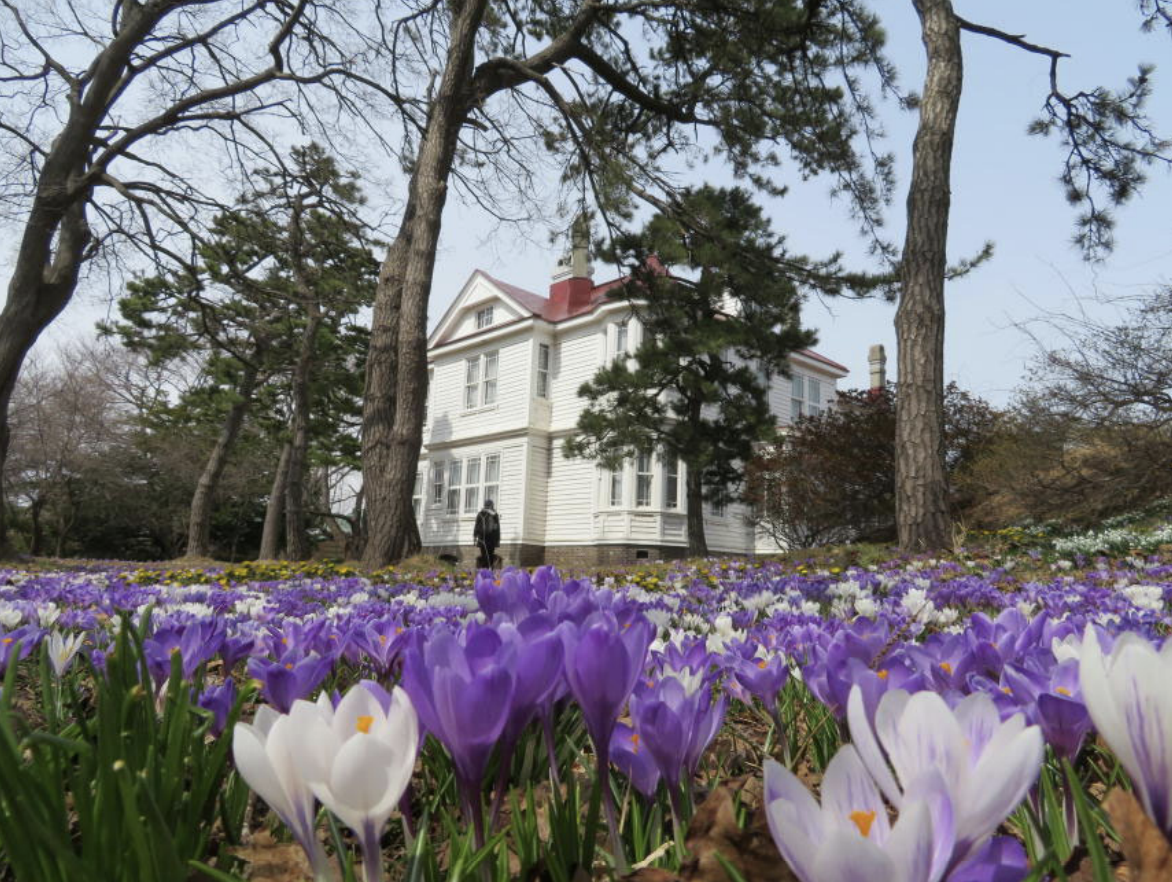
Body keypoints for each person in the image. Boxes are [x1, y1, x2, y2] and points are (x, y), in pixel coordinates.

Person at [473, 499, 501, 569]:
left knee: (484, 555)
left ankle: (485, 570)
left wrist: (474, 536)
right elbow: (497, 528)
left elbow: (476, 525)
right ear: (492, 505)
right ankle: (488, 570)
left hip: (483, 538)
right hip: (491, 539)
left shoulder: (480, 513)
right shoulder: (494, 514)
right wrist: (498, 540)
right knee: (489, 556)